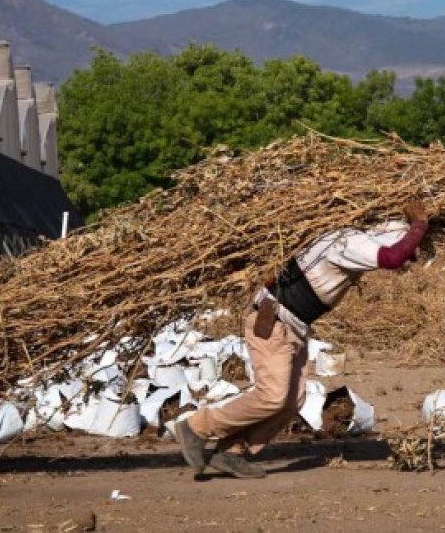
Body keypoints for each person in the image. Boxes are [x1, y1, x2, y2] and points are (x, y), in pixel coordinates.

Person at [175, 201, 429, 478]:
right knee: (271, 396)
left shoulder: (346, 239)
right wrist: (420, 225)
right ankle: (196, 427)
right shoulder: (348, 242)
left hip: (293, 327)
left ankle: (231, 450)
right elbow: (393, 258)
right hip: (274, 322)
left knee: (291, 402)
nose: (411, 255)